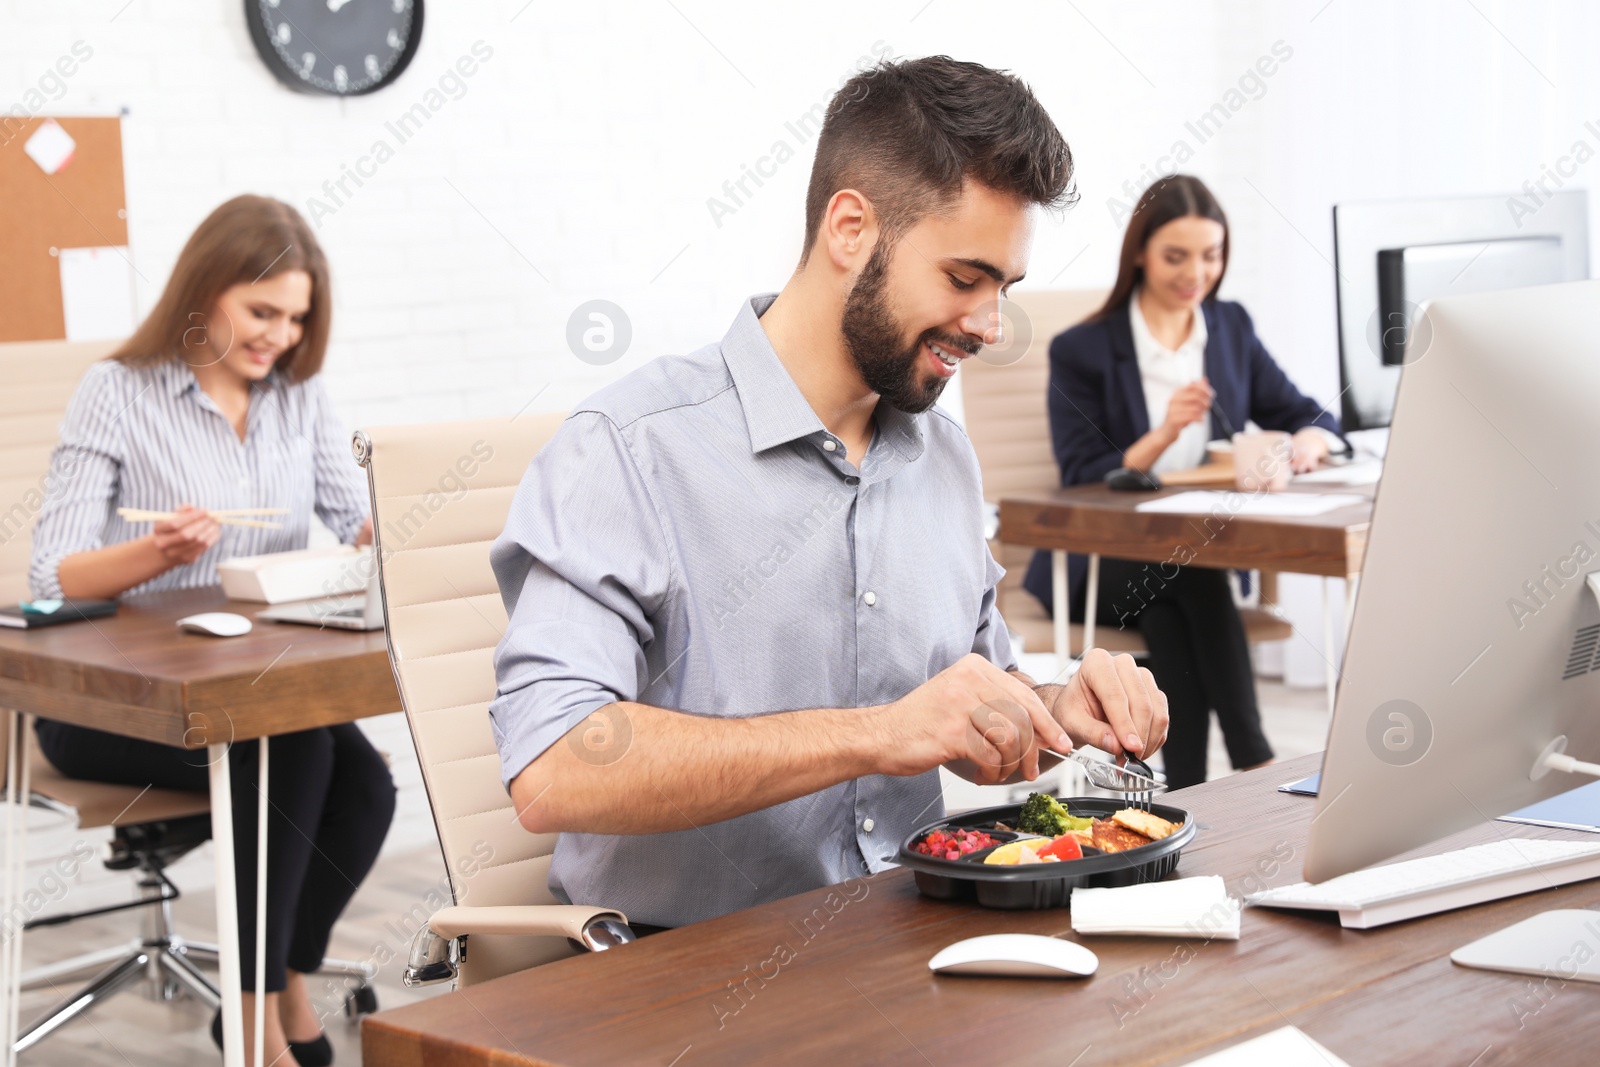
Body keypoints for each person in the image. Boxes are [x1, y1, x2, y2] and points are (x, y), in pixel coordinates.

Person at [488, 56, 1170, 932]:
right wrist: (877, 733)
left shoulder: (943, 460)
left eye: (1004, 288)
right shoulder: (629, 451)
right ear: (850, 228)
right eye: (964, 279)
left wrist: (1055, 713)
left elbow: (970, 709)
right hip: (680, 982)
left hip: (902, 946)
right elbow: (551, 768)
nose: (991, 326)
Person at [29, 195, 395, 1067]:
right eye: (261, 311)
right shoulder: (117, 391)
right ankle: (261, 1032)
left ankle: (272, 989)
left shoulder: (297, 398)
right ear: (206, 291)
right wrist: (153, 554)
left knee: (368, 788)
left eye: (296, 319)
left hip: (252, 690)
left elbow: (351, 523)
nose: (280, 335)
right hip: (115, 703)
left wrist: (383, 527)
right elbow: (53, 574)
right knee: (294, 754)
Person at [1021, 174, 1346, 789]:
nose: (1195, 272)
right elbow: (1080, 477)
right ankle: (1256, 757)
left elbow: (1311, 412)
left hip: (1181, 573)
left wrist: (1309, 438)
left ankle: (1186, 793)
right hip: (1101, 561)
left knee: (1178, 603)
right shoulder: (1083, 348)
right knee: (1191, 572)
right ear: (1140, 252)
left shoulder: (1228, 328)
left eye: (1211, 255)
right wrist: (1163, 435)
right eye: (1176, 256)